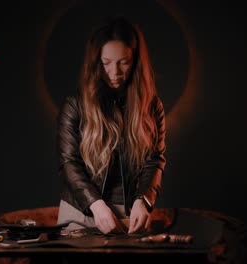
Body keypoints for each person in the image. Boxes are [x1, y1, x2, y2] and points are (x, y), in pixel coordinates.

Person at [56, 15, 166, 235]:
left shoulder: (152, 106)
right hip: (81, 213)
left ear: (135, 60)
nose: (115, 73)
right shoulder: (75, 104)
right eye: (106, 63)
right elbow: (69, 162)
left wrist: (143, 201)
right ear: (96, 62)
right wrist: (96, 205)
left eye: (123, 62)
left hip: (131, 215)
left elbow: (155, 160)